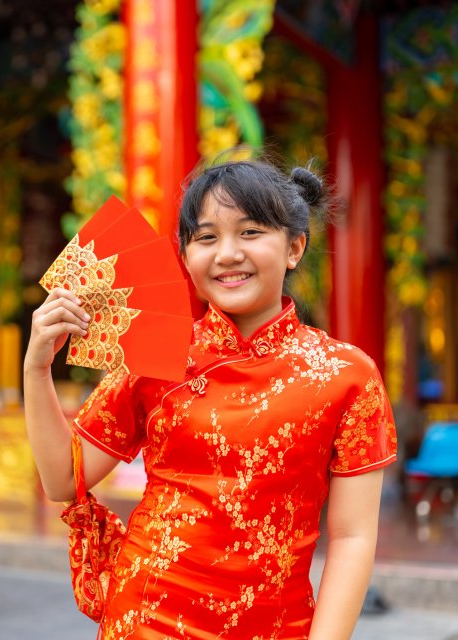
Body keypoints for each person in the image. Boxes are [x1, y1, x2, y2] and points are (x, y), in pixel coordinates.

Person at [24, 159, 397, 639]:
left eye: (250, 232)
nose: (227, 254)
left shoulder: (348, 375)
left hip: (275, 626)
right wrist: (37, 370)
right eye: (206, 237)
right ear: (184, 255)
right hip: (146, 618)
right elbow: (62, 478)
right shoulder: (155, 355)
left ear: (295, 247)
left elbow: (352, 537)